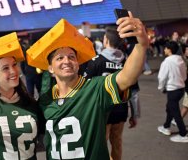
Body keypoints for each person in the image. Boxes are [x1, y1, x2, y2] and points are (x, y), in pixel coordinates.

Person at [26, 14, 149, 159]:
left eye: (72, 57)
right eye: (60, 58)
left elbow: (127, 77)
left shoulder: (95, 89)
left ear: (78, 64)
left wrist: (141, 44)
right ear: (51, 68)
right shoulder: (45, 100)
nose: (67, 61)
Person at [85, 26, 139, 160]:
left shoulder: (96, 62)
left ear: (106, 40)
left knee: (100, 145)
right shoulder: (127, 62)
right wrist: (135, 114)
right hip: (121, 109)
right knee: (117, 142)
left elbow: (84, 90)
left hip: (102, 111)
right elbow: (134, 92)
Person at [157, 41, 188, 143]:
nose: (164, 49)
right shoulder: (181, 60)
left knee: (175, 112)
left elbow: (162, 77)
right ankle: (166, 126)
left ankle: (183, 134)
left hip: (172, 90)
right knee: (170, 108)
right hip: (181, 89)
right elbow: (184, 76)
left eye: (165, 48)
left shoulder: (167, 62)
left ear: (169, 49)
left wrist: (161, 88)